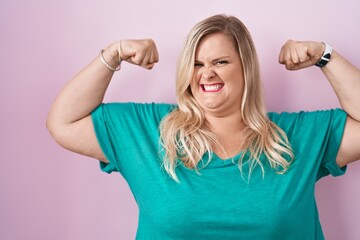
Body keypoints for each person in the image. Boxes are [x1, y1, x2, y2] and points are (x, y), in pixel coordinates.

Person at [46, 14, 360, 239]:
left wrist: (325, 56)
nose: (206, 73)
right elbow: (63, 123)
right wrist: (112, 54)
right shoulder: (148, 129)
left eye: (220, 62)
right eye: (197, 64)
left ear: (246, 69)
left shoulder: (297, 136)